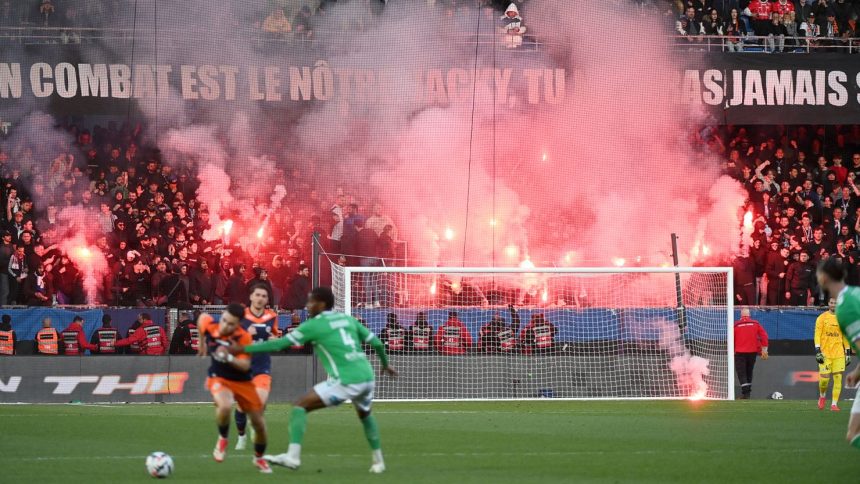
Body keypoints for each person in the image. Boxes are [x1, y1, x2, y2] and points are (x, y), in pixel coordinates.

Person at [229, 287, 396, 473]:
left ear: (321, 304)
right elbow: (377, 343)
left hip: (346, 380)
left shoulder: (314, 325)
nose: (307, 306)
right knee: (365, 415)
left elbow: (280, 343)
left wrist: (244, 349)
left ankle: (292, 457)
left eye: (311, 302)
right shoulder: (347, 319)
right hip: (367, 376)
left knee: (300, 406)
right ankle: (379, 462)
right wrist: (385, 365)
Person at [196, 304, 272, 473]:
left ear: (238, 324)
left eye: (231, 324)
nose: (225, 326)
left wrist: (228, 356)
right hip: (220, 378)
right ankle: (223, 439)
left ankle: (259, 458)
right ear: (222, 316)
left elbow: (245, 366)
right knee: (224, 406)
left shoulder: (243, 337)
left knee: (259, 424)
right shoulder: (212, 325)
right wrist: (202, 343)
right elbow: (201, 319)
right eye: (224, 320)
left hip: (243, 382)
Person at [815, 257, 860, 449]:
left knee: (853, 434)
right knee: (852, 434)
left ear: (823, 278)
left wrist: (858, 372)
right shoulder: (855, 292)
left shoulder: (845, 308)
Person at [234, 284, 280, 451]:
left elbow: (274, 336)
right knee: (241, 407)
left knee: (259, 403)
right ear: (251, 297)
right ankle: (241, 436)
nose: (260, 298)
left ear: (267, 300)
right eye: (258, 295)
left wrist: (275, 340)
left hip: (262, 367)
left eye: (264, 296)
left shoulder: (271, 316)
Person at [815, 297, 852, 411]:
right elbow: (817, 334)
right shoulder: (822, 318)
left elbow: (845, 337)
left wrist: (848, 352)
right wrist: (818, 351)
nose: (833, 305)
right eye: (831, 302)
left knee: (838, 378)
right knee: (825, 380)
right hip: (825, 353)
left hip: (839, 353)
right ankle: (822, 396)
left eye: (835, 303)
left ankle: (834, 404)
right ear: (828, 303)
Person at [734, 308, 769, 399]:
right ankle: (747, 394)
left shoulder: (736, 325)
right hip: (752, 352)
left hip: (740, 352)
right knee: (749, 372)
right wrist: (764, 350)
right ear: (749, 315)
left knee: (741, 373)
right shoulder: (755, 323)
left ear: (741, 315)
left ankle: (746, 394)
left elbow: (731, 339)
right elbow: (764, 336)